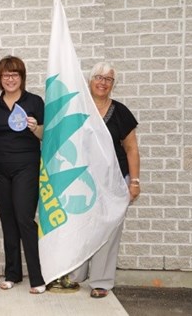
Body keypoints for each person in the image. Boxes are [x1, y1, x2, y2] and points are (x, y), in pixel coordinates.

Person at [65, 61, 141, 298]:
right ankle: (74, 274)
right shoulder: (77, 109)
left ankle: (101, 281)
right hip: (84, 182)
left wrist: (135, 181)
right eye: (99, 77)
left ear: (112, 85)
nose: (103, 82)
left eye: (108, 79)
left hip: (114, 182)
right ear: (90, 81)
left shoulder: (120, 112)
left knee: (108, 231)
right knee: (80, 228)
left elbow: (131, 149)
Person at [0, 55, 46, 294]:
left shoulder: (35, 102)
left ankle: (38, 277)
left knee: (24, 220)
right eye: (6, 75)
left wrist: (35, 127)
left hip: (27, 167)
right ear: (0, 78)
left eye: (15, 74)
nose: (10, 79)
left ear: (22, 77)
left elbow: (46, 136)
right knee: (8, 222)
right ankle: (13, 273)